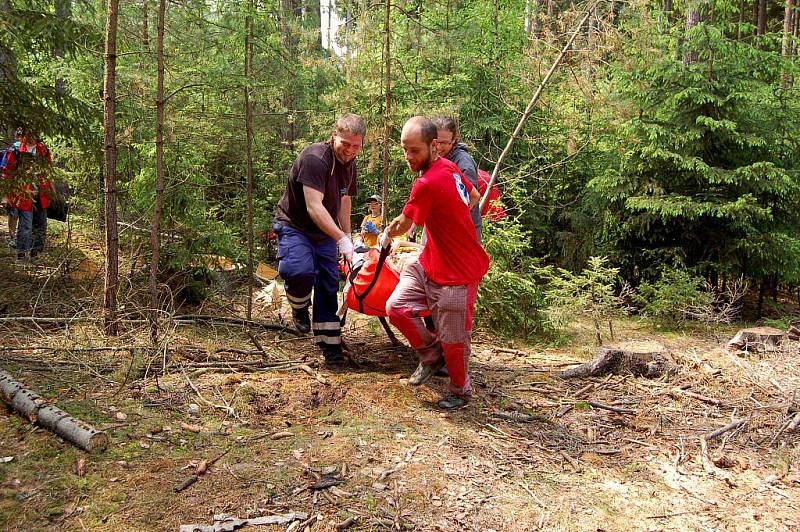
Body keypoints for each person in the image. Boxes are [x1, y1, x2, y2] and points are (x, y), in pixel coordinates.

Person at [380, 116, 489, 410]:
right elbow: (474, 195)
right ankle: (430, 356)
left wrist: (386, 233)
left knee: (454, 338)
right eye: (404, 149)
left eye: (415, 151)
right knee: (397, 307)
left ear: (434, 147)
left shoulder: (428, 181)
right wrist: (446, 220)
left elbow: (402, 225)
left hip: (459, 271)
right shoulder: (447, 168)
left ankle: (460, 391)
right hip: (430, 261)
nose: (408, 157)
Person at [273, 113, 365, 365]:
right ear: (334, 135)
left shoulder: (350, 163)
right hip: (296, 226)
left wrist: (348, 237)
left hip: (324, 232)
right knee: (299, 271)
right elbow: (314, 207)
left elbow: (344, 201)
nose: (349, 150)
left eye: (356, 146)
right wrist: (340, 237)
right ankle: (299, 304)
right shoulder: (315, 158)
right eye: (345, 144)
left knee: (328, 283)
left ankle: (331, 347)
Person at [2, 129, 53, 262]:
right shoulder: (16, 149)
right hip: (23, 195)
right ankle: (21, 255)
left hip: (41, 195)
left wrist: (51, 191)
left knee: (41, 226)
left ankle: (36, 255)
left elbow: (48, 172)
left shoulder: (43, 150)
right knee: (25, 227)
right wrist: (6, 196)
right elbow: (6, 172)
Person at [2, 128, 23, 248]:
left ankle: (18, 237)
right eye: (19, 135)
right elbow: (5, 170)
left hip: (26, 188)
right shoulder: (12, 149)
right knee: (13, 213)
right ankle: (13, 237)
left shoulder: (34, 149)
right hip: (13, 187)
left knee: (21, 214)